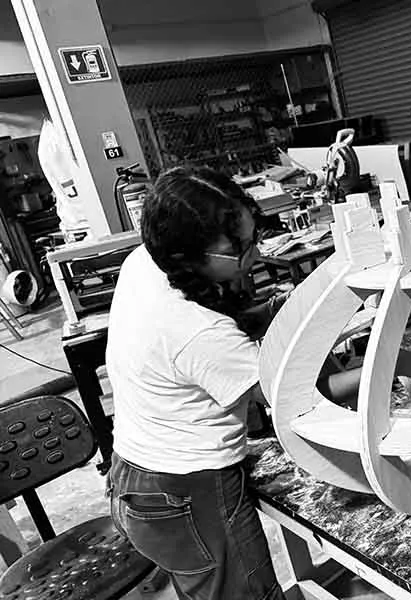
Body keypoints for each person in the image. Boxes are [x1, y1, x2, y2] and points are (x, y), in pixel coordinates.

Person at [105, 166, 288, 600]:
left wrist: (266, 314)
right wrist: (389, 371)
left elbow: (182, 350)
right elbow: (290, 401)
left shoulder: (146, 261)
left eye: (253, 234)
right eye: (239, 247)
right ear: (189, 255)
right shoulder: (198, 332)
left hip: (136, 480)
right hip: (189, 493)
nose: (255, 254)